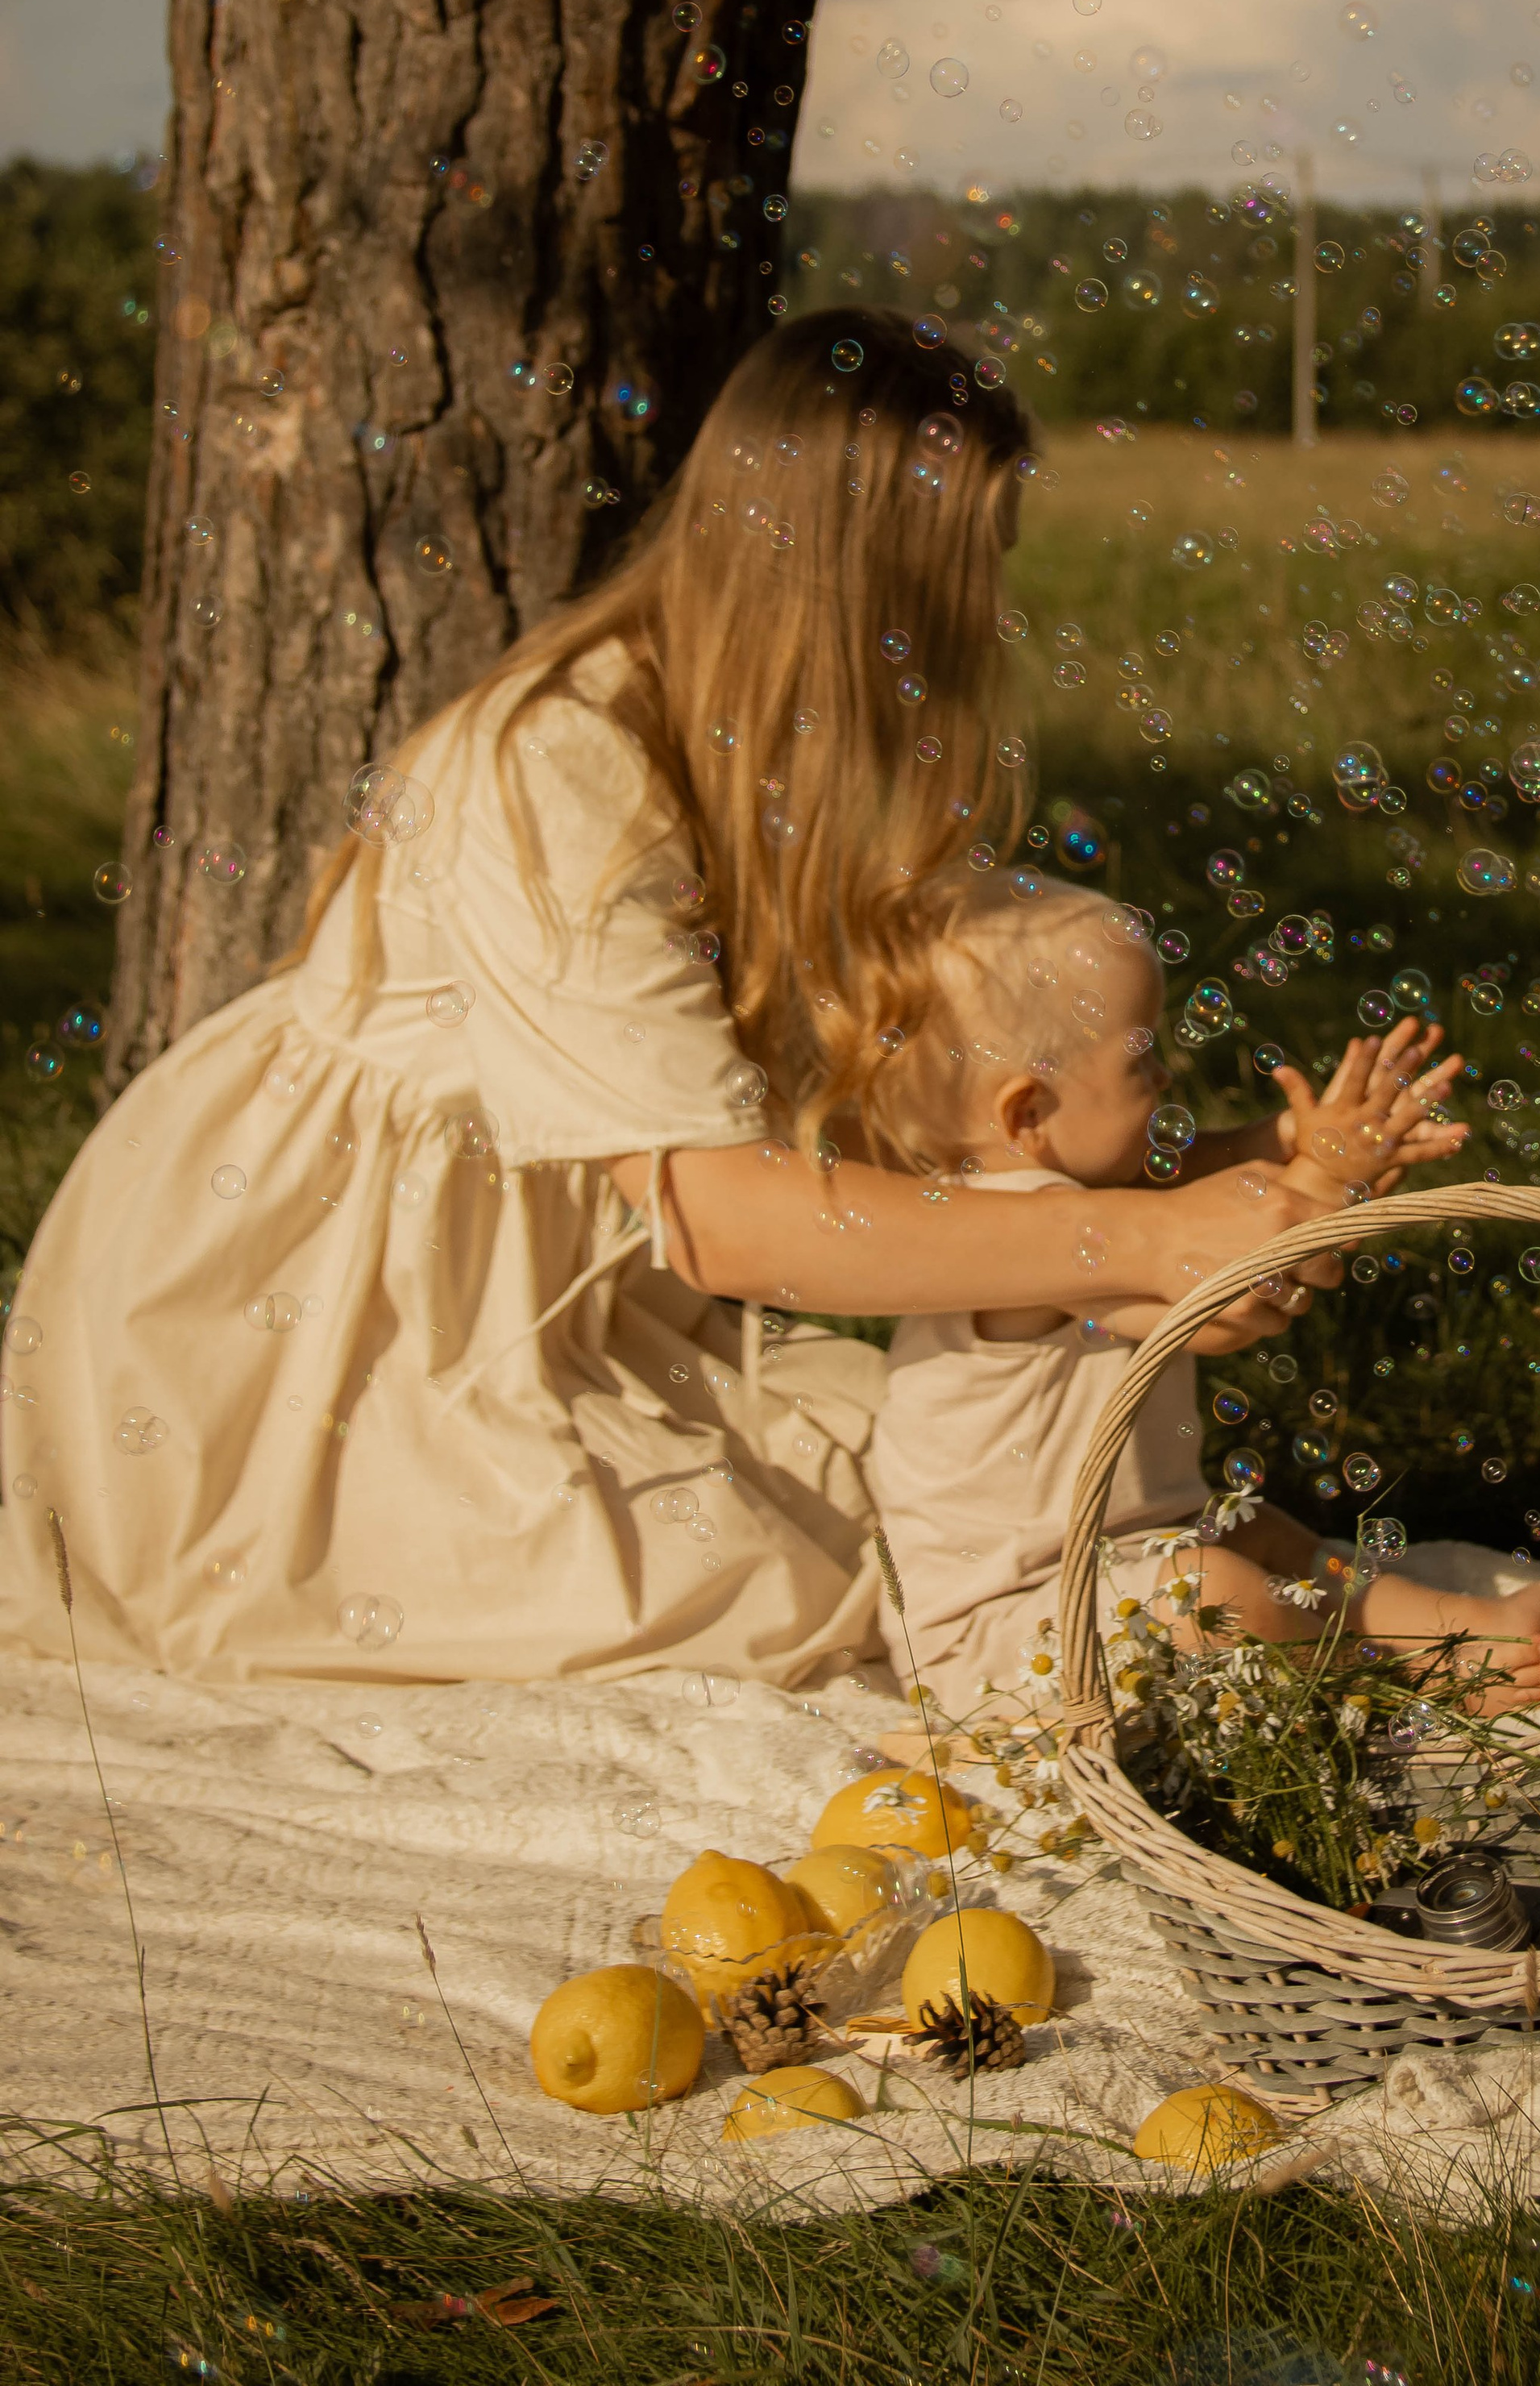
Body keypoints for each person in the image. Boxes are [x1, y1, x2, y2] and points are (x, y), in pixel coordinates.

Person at [0, 312, 1343, 1682]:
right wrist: (1130, 1248)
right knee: (770, 1597)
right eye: (960, 567)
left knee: (887, 1515)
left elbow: (888, 1142)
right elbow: (721, 1215)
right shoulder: (558, 765)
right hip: (312, 1322)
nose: (983, 614)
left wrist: (1196, 1202)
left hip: (542, 1276)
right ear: (848, 572)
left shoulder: (761, 759)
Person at [865, 873, 1540, 1718]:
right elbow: (1214, 1308)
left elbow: (1201, 1170)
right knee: (1215, 1589)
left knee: (1253, 1535)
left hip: (1117, 1553)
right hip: (1002, 1639)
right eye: (1142, 1060)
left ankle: (1469, 1629)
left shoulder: (1073, 1191)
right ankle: (1395, 1681)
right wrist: (1324, 1179)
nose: (1172, 1078)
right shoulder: (1023, 1232)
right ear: (1028, 1113)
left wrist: (1295, 1138)